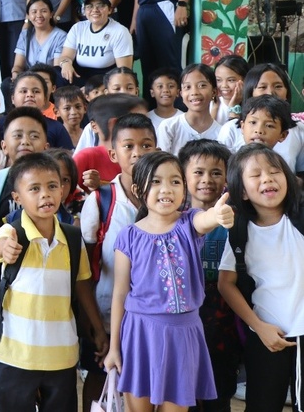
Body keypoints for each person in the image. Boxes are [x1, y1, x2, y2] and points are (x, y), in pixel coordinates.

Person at [103, 152, 234, 410]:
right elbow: (119, 294)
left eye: (175, 182)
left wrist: (217, 215)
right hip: (140, 334)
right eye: (156, 182)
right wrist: (114, 348)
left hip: (183, 334)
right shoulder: (128, 236)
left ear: (184, 189)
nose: (166, 189)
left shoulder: (189, 222)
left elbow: (205, 220)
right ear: (139, 189)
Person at [0, 153, 104, 411]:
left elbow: (83, 285)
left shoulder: (73, 238)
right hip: (16, 355)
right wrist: (4, 249)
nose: (45, 194)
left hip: (61, 354)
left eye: (53, 186)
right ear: (17, 197)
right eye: (34, 188)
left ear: (63, 189)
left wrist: (97, 327)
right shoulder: (12, 231)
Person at [77, 113, 157, 409]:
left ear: (157, 149)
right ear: (113, 154)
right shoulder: (100, 200)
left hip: (152, 317)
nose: (138, 153)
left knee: (145, 383)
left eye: (146, 145)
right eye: (129, 146)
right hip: (107, 314)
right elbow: (84, 270)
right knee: (100, 380)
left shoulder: (168, 199)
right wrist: (95, 325)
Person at [218, 144, 304, 412]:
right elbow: (225, 283)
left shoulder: (300, 217)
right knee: (262, 405)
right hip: (266, 335)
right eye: (256, 175)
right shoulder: (238, 231)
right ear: (242, 191)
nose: (267, 178)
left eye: (274, 171)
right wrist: (258, 326)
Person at [178, 140, 240, 412]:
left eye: (216, 173)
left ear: (227, 176)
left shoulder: (238, 219)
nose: (207, 180)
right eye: (198, 172)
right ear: (183, 176)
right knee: (183, 393)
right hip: (183, 320)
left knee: (219, 394)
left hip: (224, 320)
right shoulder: (171, 218)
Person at [57, 0, 133, 85]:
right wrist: (66, 63)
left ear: (109, 9)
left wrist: (94, 90)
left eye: (100, 5)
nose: (95, 10)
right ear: (84, 10)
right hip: (80, 77)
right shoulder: (77, 28)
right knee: (56, 72)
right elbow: (65, 56)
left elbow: (124, 71)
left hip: (106, 81)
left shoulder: (120, 31)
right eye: (90, 6)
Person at [157, 64, 222, 156]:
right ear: (181, 94)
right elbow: (161, 165)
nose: (194, 92)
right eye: (187, 87)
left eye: (202, 85)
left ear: (214, 92)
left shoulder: (222, 132)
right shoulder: (169, 127)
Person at [10, 0, 68, 79]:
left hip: (49, 80)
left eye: (44, 11)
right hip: (28, 80)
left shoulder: (61, 36)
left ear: (51, 14)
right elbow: (18, 65)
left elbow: (57, 69)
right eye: (34, 12)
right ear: (29, 16)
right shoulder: (25, 34)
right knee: (6, 84)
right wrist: (15, 73)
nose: (39, 15)